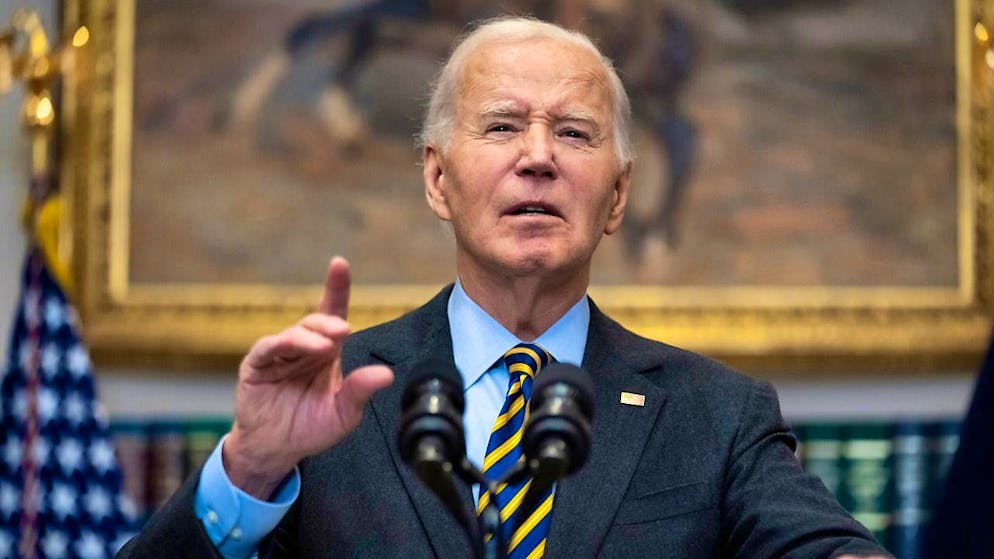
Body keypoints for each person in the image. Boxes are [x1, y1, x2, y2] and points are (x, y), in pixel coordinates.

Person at [118, 17, 892, 559]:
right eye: (500, 126)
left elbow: (823, 545)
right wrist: (250, 467)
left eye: (574, 131)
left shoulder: (716, 415)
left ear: (618, 195)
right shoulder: (335, 399)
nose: (538, 157)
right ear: (436, 177)